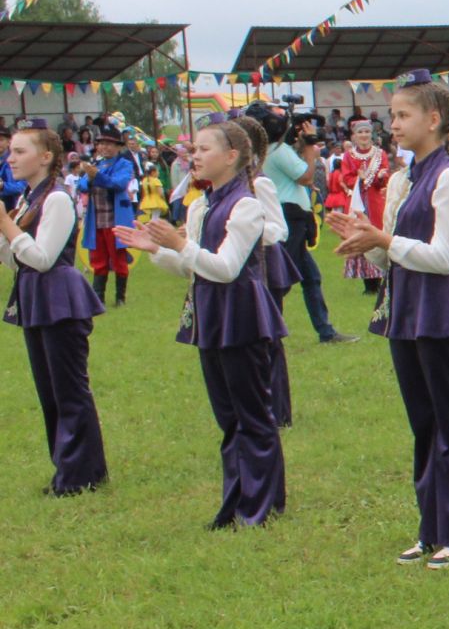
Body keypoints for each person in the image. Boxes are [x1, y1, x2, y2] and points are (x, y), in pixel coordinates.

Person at [327, 69, 449, 569]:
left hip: (443, 310)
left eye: (403, 115)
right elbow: (394, 256)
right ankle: (434, 527)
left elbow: (445, 257)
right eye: (391, 116)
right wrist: (368, 239)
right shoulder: (405, 177)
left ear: (434, 119)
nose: (394, 124)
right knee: (423, 424)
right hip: (406, 307)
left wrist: (383, 241)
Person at [125, 121, 288, 529]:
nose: (193, 156)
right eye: (192, 149)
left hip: (242, 315)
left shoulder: (245, 204)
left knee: (252, 414)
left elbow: (227, 267)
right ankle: (236, 502)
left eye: (202, 149)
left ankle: (263, 504)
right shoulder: (206, 203)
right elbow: (194, 267)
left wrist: (180, 244)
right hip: (213, 314)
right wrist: (159, 250)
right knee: (228, 417)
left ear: (232, 156)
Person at [0, 122, 109, 496]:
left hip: (60, 297)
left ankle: (81, 474)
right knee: (50, 391)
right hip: (35, 296)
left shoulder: (57, 198)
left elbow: (44, 258)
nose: (11, 158)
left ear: (46, 157)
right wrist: (6, 235)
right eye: (11, 151)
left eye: (19, 151)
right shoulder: (30, 198)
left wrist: (7, 227)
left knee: (68, 389)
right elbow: (19, 261)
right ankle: (69, 469)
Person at [253, 106, 355, 345]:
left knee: (310, 277)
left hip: (289, 217)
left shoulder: (270, 151)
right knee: (283, 280)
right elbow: (306, 176)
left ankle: (325, 331)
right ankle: (265, 328)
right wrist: (310, 147)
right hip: (292, 218)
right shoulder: (278, 151)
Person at [229, 112, 296, 430]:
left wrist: (246, 228)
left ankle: (279, 409)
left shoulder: (260, 182)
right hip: (241, 268)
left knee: (269, 341)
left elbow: (278, 229)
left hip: (266, 267)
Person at [75, 124, 139, 307]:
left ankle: (120, 297)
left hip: (115, 220)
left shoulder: (124, 164)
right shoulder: (96, 163)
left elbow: (118, 184)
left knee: (118, 257)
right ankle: (98, 297)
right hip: (96, 220)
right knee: (98, 259)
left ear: (119, 146)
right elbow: (82, 186)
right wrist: (90, 176)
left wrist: (97, 177)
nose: (104, 147)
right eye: (101, 143)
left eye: (109, 144)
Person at [337, 116, 390, 295]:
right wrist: (359, 179)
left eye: (367, 131)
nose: (364, 135)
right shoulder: (349, 156)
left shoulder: (379, 154)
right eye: (360, 132)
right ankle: (369, 284)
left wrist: (381, 176)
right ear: (354, 135)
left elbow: (383, 180)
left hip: (375, 202)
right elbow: (346, 178)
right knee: (361, 235)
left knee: (377, 235)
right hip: (357, 202)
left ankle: (383, 278)